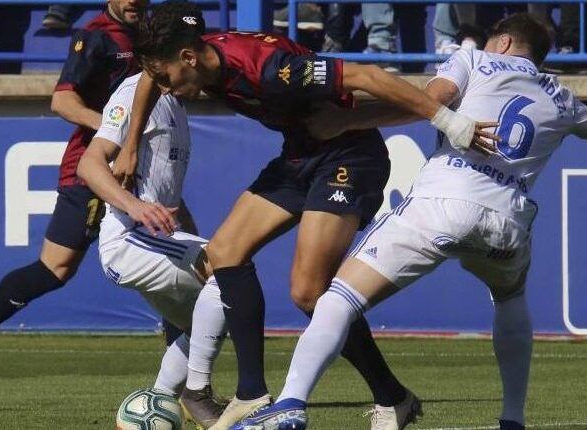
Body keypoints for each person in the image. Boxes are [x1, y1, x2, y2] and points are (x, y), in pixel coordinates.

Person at [116, 2, 495, 429]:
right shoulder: (192, 60)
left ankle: (392, 396)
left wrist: (448, 120)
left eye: (168, 76)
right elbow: (148, 77)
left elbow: (367, 77)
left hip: (349, 156)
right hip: (300, 155)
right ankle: (252, 395)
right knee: (223, 253)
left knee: (309, 293)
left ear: (188, 57)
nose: (165, 87)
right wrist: (131, 144)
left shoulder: (270, 68)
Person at [234, 13, 587, 430]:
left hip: (443, 202)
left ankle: (292, 403)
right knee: (511, 300)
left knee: (337, 297)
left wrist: (347, 120)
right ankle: (512, 419)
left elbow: (429, 100)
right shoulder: (562, 96)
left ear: (505, 43)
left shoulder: (474, 59)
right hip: (506, 221)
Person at [0, 0, 154, 394]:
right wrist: (114, 132)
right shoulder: (96, 37)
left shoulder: (153, 35)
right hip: (92, 167)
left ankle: (190, 384)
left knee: (164, 252)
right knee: (56, 268)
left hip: (143, 164)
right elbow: (62, 100)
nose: (135, 1)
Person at [77, 71, 228, 428]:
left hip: (158, 240)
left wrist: (185, 229)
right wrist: (134, 206)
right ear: (181, 58)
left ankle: (158, 400)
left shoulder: (176, 105)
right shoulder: (131, 92)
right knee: (230, 269)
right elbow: (89, 164)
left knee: (209, 319)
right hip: (126, 240)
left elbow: (163, 190)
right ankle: (198, 392)